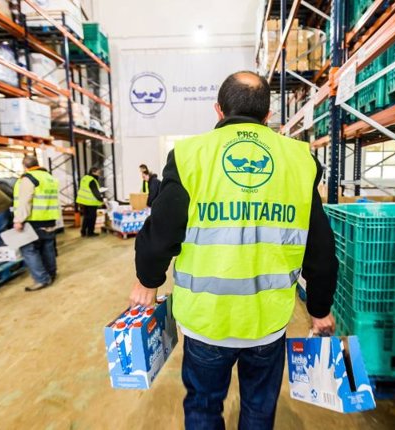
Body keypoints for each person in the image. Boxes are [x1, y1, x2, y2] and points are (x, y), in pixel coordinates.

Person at [129, 71, 338, 429]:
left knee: (205, 405)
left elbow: (162, 231)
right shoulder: (299, 160)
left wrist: (147, 281)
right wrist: (319, 310)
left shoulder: (190, 155)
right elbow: (319, 247)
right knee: (258, 408)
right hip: (267, 323)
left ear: (218, 110)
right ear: (268, 116)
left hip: (207, 323)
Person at [13, 155, 60, 292]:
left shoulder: (29, 178)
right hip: (50, 219)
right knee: (48, 247)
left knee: (29, 250)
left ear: (25, 166)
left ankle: (41, 279)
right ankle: (51, 274)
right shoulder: (49, 178)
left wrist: (18, 220)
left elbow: (24, 201)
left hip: (34, 221)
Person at [76, 167, 105, 237]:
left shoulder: (85, 178)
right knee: (92, 218)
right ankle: (90, 232)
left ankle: (83, 231)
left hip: (83, 201)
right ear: (93, 172)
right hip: (91, 202)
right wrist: (101, 199)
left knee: (86, 217)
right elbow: (95, 192)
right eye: (98, 172)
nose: (99, 174)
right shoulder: (92, 180)